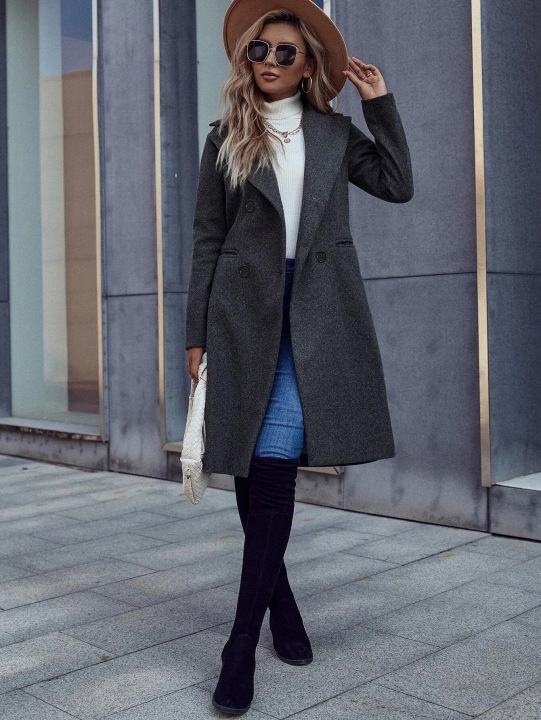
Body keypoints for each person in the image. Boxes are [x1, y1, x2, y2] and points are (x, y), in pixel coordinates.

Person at [185, 0, 413, 713]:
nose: (271, 61)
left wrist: (379, 103)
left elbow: (397, 184)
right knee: (249, 469)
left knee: (273, 460)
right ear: (247, 59)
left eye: (287, 52)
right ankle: (281, 610)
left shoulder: (335, 134)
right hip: (239, 314)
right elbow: (207, 238)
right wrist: (195, 333)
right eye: (261, 50)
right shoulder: (227, 135)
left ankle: (238, 645)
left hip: (315, 311)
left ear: (309, 64)